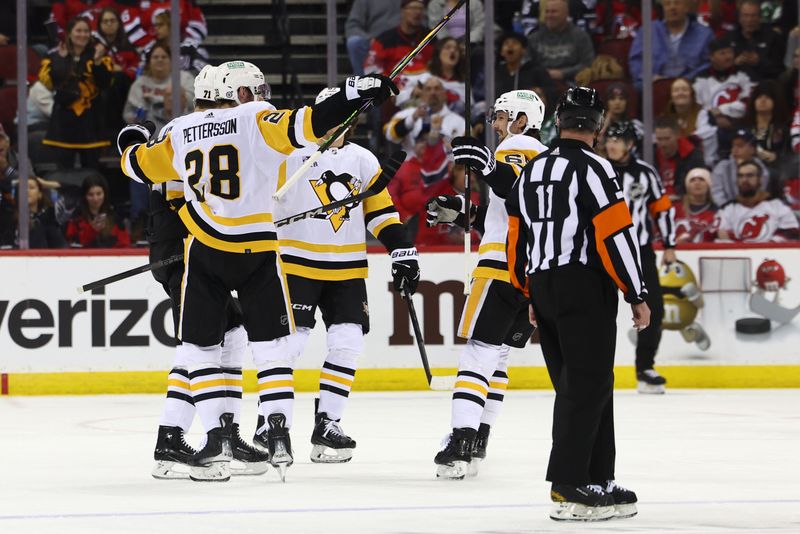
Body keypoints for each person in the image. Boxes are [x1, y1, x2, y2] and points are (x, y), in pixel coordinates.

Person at [117, 70, 399, 482]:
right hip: (239, 247)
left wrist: (130, 140)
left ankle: (221, 436)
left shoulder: (178, 130)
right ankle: (180, 436)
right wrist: (350, 95)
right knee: (246, 344)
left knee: (216, 342)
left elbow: (138, 169)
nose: (262, 95)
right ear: (240, 92)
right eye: (256, 90)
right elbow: (309, 124)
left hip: (201, 243)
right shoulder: (254, 119)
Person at [506, 86, 649, 521]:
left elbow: (517, 240)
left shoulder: (530, 171)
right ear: (599, 124)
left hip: (545, 286)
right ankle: (569, 484)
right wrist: (636, 291)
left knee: (584, 385)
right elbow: (615, 234)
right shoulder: (596, 168)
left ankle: (597, 475)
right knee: (585, 386)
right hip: (584, 286)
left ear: (559, 122)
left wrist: (528, 290)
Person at [268, 87, 417, 464]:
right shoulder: (291, 155)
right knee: (291, 345)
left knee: (348, 341)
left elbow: (380, 213)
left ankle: (327, 425)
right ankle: (270, 421)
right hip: (297, 264)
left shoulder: (363, 159)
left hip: (347, 268)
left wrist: (401, 250)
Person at [147, 63, 269, 481]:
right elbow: (190, 198)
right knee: (199, 343)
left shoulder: (187, 128)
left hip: (190, 245)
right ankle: (172, 439)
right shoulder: (192, 130)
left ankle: (225, 434)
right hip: (186, 250)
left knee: (230, 333)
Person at [426, 89, 547, 479]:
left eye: (501, 116)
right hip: (532, 272)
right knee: (498, 357)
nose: (495, 124)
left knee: (478, 353)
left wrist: (489, 167)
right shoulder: (549, 159)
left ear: (522, 120)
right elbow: (517, 212)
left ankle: (461, 441)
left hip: (499, 264)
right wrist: (465, 214)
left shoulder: (519, 145)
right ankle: (479, 439)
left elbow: (514, 192)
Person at [605, 121, 677, 394]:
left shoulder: (646, 173)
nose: (611, 144)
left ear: (631, 145)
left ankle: (645, 369)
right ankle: (592, 371)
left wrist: (669, 244)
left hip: (640, 250)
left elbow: (663, 209)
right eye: (609, 139)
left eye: (618, 140)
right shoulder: (597, 169)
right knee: (598, 311)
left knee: (653, 309)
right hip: (604, 252)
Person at [38, 16, 113, 170]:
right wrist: (61, 60)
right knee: (64, 172)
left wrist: (98, 62)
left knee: (92, 170)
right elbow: (52, 83)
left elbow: (105, 84)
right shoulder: (55, 55)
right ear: (69, 33)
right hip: (64, 123)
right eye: (78, 30)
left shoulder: (99, 56)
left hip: (91, 123)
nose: (83, 34)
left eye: (86, 31)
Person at [628, 0, 714, 87]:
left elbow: (708, 63)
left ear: (686, 7)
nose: (672, 8)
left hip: (691, 84)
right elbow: (636, 60)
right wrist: (651, 77)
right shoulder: (647, 31)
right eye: (667, 4)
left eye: (677, 3)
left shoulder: (704, 34)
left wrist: (685, 80)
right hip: (654, 84)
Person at [715, 160, 799, 242]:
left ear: (760, 179)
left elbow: (791, 231)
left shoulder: (777, 206)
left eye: (749, 175)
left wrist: (771, 243)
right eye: (740, 176)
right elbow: (719, 235)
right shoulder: (728, 209)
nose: (744, 180)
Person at [384, 76, 464, 153]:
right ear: (422, 94)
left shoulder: (459, 122)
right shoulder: (408, 114)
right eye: (428, 89)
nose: (433, 92)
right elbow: (389, 135)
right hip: (411, 164)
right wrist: (412, 119)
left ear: (444, 94)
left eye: (437, 88)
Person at [692, 38, 753, 140]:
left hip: (741, 125)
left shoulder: (745, 74)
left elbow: (748, 103)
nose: (728, 57)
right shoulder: (700, 79)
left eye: (730, 52)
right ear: (711, 57)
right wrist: (714, 119)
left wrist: (720, 110)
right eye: (722, 53)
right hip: (709, 127)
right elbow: (697, 108)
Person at [527, 0, 594, 84]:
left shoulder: (580, 36)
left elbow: (587, 63)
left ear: (566, 14)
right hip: (540, 82)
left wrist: (563, 73)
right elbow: (527, 64)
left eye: (554, 12)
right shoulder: (534, 37)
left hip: (572, 82)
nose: (549, 15)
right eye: (547, 12)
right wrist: (544, 73)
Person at [395, 37, 468, 113]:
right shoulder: (424, 75)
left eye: (456, 49)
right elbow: (398, 97)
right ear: (438, 53)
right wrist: (412, 92)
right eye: (447, 47)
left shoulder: (463, 84)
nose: (452, 50)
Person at [363, 0, 432, 79]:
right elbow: (370, 68)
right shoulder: (384, 40)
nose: (417, 12)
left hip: (427, 86)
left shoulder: (431, 38)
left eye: (421, 9)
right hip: (394, 86)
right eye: (413, 8)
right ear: (402, 11)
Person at [660, 77, 718, 166]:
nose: (680, 93)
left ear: (692, 94)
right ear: (671, 97)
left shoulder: (702, 114)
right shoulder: (664, 118)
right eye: (676, 90)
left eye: (684, 89)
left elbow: (706, 135)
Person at [723, 0, 786, 81]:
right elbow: (720, 68)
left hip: (764, 86)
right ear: (739, 18)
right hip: (735, 86)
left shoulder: (773, 38)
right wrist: (734, 64)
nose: (749, 20)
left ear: (760, 18)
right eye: (745, 16)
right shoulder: (730, 37)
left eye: (753, 16)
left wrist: (759, 62)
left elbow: (779, 71)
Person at [741, 80, 790, 183]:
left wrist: (775, 157)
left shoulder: (783, 130)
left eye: (767, 98)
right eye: (759, 97)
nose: (762, 100)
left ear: (775, 101)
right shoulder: (744, 128)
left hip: (773, 172)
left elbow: (789, 156)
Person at [65, 174, 130, 248]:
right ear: (84, 196)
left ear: (105, 194)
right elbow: (73, 246)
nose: (95, 199)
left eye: (99, 194)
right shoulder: (75, 219)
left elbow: (125, 246)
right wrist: (91, 230)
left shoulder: (116, 218)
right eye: (90, 195)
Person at [711, 128, 769, 207]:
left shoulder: (762, 170)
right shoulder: (721, 168)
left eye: (740, 146)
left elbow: (760, 194)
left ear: (752, 149)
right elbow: (717, 194)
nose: (735, 150)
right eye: (733, 146)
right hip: (727, 211)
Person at [653, 116, 706, 201]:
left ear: (677, 135)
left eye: (667, 139)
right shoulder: (650, 154)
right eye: (659, 139)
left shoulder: (693, 156)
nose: (663, 144)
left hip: (683, 203)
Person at [344, 0, 400, 76]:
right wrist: (369, 39)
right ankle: (363, 83)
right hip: (375, 42)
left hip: (405, 40)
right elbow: (352, 26)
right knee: (354, 42)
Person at [494, 32, 553, 102]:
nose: (510, 46)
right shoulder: (495, 72)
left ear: (523, 50)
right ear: (501, 52)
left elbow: (551, 90)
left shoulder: (536, 70)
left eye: (515, 43)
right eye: (506, 43)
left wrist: (540, 91)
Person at [674, 167, 718, 244]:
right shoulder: (675, 209)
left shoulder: (717, 212)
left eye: (701, 179)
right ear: (687, 186)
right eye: (692, 180)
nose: (697, 183)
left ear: (708, 185)